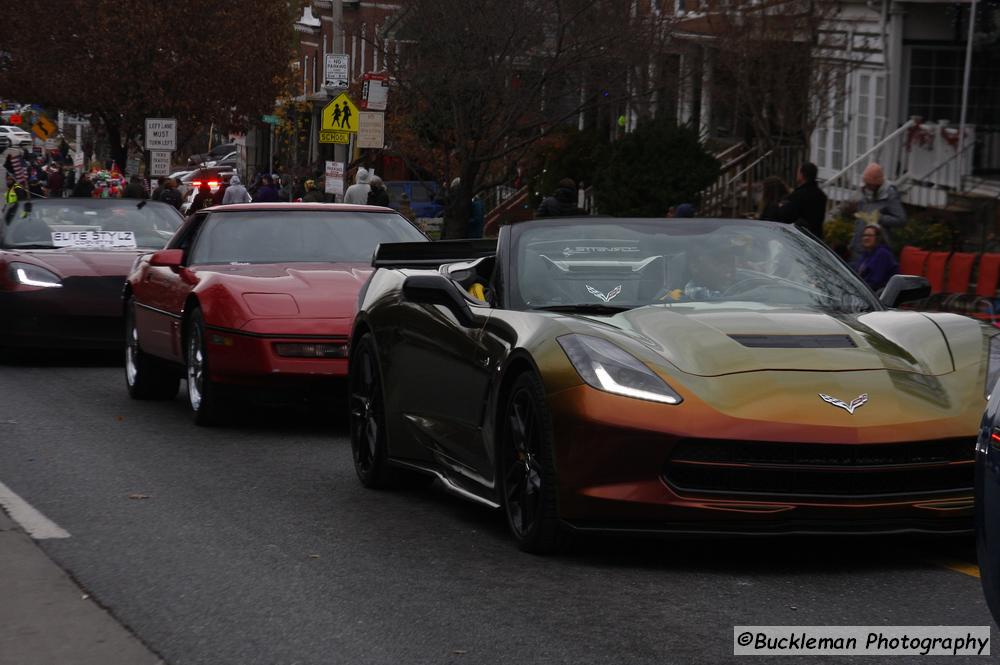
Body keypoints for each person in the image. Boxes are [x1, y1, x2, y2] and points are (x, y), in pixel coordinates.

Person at [842, 163, 907, 264]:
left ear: (877, 183)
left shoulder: (889, 195)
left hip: (875, 251)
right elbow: (860, 220)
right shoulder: (865, 193)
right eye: (866, 183)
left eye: (869, 184)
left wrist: (880, 218)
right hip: (858, 248)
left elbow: (901, 219)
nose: (867, 186)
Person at [774, 162, 828, 236]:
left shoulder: (799, 194)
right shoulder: (821, 195)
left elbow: (787, 215)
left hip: (800, 236)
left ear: (802, 175)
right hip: (816, 237)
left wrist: (781, 207)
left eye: (798, 172)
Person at [855, 224, 898, 292]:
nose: (866, 238)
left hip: (879, 295)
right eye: (864, 235)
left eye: (869, 235)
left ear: (878, 238)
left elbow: (875, 282)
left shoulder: (883, 254)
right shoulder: (866, 254)